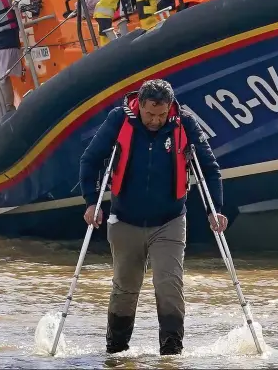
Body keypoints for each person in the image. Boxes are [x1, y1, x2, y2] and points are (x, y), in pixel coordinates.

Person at [80, 79, 226, 355]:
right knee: (125, 289)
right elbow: (90, 159)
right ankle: (116, 352)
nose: (156, 120)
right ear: (140, 105)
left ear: (170, 107)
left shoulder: (185, 122)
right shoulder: (119, 119)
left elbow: (210, 168)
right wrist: (91, 202)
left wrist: (215, 209)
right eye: (150, 114)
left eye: (161, 115)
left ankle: (171, 355)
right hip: (125, 219)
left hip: (169, 221)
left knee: (169, 284)